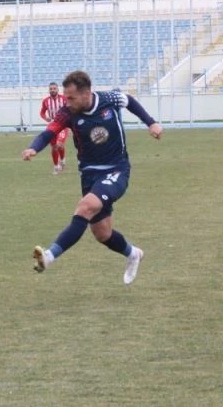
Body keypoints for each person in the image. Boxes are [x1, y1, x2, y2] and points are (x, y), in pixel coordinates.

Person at [21, 70, 163, 285]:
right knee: (102, 233)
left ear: (87, 93)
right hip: (89, 176)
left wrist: (151, 122)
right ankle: (133, 254)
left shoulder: (110, 99)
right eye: (65, 97)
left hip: (116, 170)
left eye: (71, 97)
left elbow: (130, 101)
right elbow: (48, 132)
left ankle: (49, 257)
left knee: (85, 207)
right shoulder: (67, 113)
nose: (66, 102)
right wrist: (33, 148)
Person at [39, 81, 69, 175]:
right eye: (51, 89)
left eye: (54, 88)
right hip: (52, 125)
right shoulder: (46, 101)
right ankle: (56, 166)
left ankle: (63, 160)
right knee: (54, 147)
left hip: (63, 125)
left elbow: (70, 108)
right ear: (49, 90)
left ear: (57, 89)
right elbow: (42, 112)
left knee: (60, 144)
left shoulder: (64, 99)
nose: (52, 90)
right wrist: (46, 118)